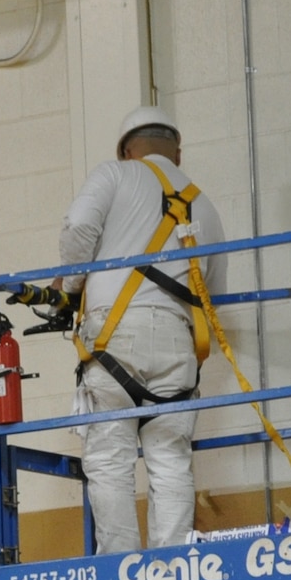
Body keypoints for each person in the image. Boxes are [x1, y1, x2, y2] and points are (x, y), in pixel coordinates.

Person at [53, 107, 227, 555]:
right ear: (178, 153)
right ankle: (170, 567)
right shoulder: (205, 205)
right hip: (177, 346)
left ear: (127, 150)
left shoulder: (115, 175)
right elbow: (213, 296)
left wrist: (67, 287)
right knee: (170, 460)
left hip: (115, 340)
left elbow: (77, 226)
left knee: (110, 460)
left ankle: (120, 569)